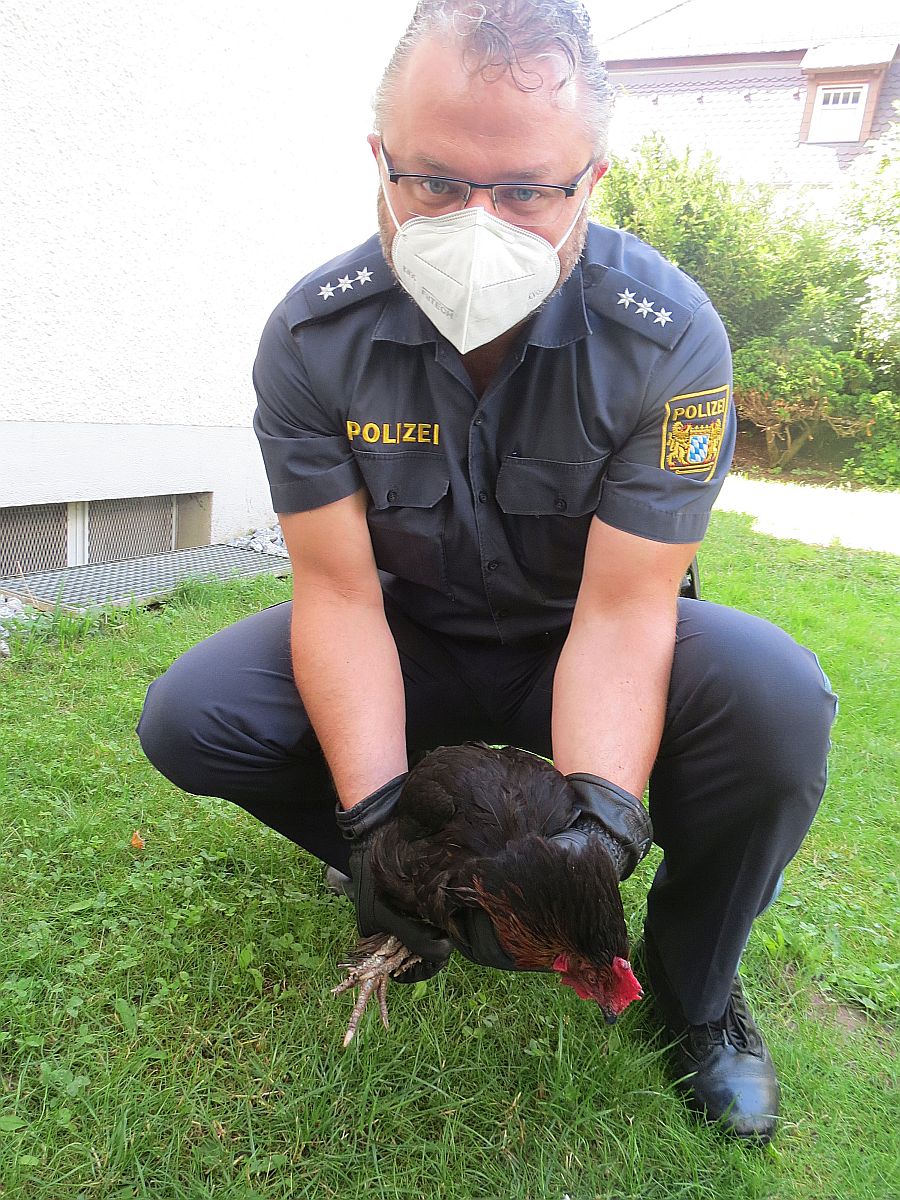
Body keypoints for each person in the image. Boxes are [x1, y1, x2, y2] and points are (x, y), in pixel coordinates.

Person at [138, 0, 836, 1143]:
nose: (477, 221)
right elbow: (338, 591)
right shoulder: (314, 339)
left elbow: (625, 610)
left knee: (775, 701)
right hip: (411, 638)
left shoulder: (670, 338)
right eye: (435, 181)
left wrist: (604, 829)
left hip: (580, 642)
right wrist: (373, 826)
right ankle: (417, 884)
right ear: (380, 162)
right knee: (194, 716)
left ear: (593, 180)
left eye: (525, 190)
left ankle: (694, 989)